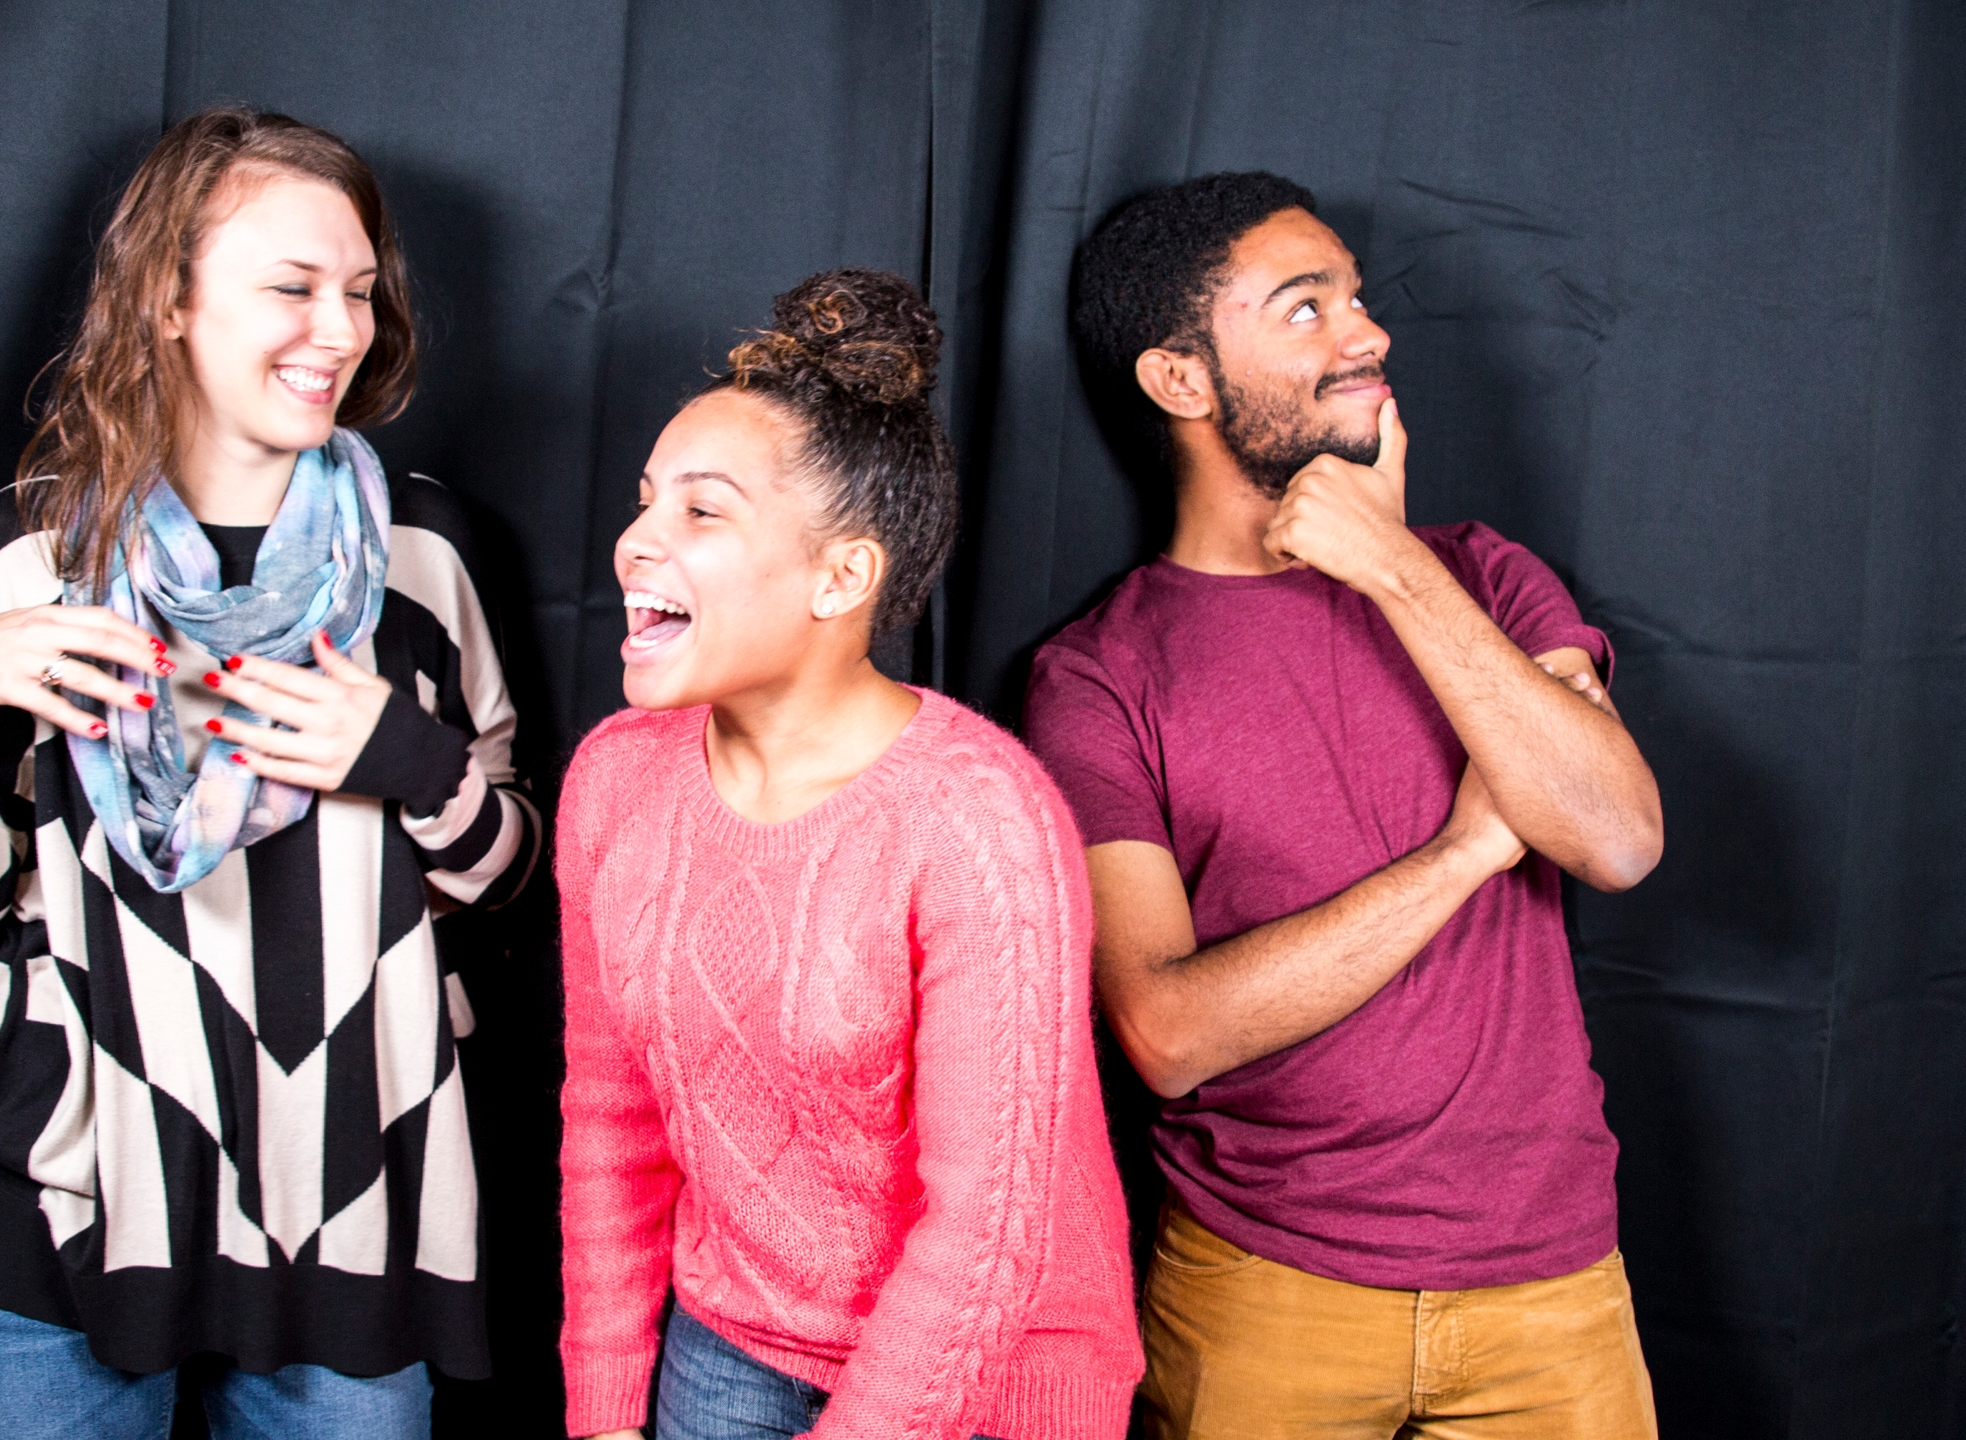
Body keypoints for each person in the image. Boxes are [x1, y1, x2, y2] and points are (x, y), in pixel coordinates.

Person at [0, 107, 539, 1439]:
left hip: (351, 1216)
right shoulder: (36, 553)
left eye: (358, 290)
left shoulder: (424, 559)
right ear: (168, 300)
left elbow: (509, 873)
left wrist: (403, 761)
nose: (339, 327)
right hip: (62, 1210)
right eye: (291, 287)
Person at [1026, 172, 1666, 1439]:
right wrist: (1468, 850)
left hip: (1552, 1288)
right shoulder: (1098, 674)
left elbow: (1614, 835)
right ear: (1181, 381)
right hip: (1260, 1294)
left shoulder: (1481, 574)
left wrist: (1393, 567)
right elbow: (1165, 1029)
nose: (1365, 335)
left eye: (1357, 302)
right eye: (1304, 309)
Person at [555, 270, 1143, 1440]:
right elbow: (608, 1126)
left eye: (700, 512)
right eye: (644, 501)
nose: (635, 540)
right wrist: (608, 1405)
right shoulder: (617, 780)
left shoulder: (978, 819)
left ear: (842, 576)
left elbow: (985, 1231)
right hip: (726, 1353)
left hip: (996, 1379)